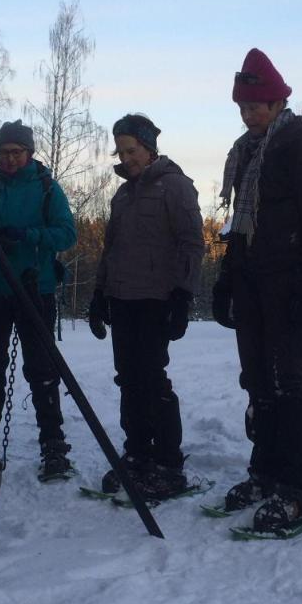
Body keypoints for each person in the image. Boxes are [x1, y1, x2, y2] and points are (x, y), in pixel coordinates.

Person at [212, 49, 302, 532]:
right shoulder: (244, 153)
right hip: (251, 282)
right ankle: (264, 473)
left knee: (287, 383)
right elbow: (241, 225)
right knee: (257, 380)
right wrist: (227, 277)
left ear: (279, 101)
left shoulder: (300, 146)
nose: (248, 114)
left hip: (287, 283)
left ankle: (297, 487)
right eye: (242, 106)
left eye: (256, 105)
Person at [89, 114, 204, 501]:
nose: (126, 157)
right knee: (128, 380)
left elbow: (192, 244)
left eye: (131, 150)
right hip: (122, 300)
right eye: (120, 151)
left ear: (149, 148)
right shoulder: (122, 194)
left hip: (157, 300)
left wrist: (182, 296)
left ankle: (168, 463)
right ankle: (137, 454)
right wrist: (99, 293)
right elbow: (112, 249)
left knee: (153, 380)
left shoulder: (175, 187)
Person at [0, 120, 77, 481]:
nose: (10, 159)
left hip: (36, 289)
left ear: (29, 153)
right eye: (4, 153)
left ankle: (53, 444)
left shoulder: (47, 188)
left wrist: (27, 236)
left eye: (16, 152)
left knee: (42, 370)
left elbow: (66, 234)